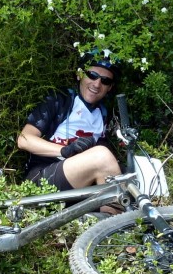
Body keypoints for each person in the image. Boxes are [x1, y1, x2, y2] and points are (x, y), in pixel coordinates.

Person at [17, 50, 121, 191]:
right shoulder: (59, 100)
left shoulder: (103, 114)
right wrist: (65, 150)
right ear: (80, 74)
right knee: (102, 157)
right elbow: (24, 140)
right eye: (92, 75)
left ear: (110, 87)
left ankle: (113, 213)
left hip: (80, 181)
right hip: (42, 176)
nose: (97, 84)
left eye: (105, 80)